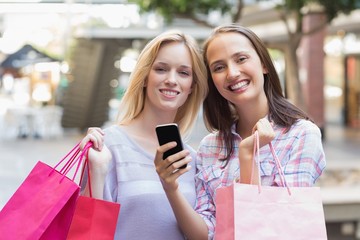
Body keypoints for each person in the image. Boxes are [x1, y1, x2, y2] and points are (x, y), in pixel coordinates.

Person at [154, 24, 326, 239]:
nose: (232, 73)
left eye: (241, 59)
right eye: (218, 67)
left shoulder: (301, 135)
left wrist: (247, 155)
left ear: (263, 63)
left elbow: (268, 225)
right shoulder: (210, 146)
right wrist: (170, 188)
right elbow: (204, 233)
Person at [79, 29, 208, 239]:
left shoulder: (193, 159)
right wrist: (96, 170)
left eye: (183, 73)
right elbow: (88, 229)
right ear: (145, 76)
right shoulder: (108, 146)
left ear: (192, 86)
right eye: (161, 69)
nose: (172, 80)